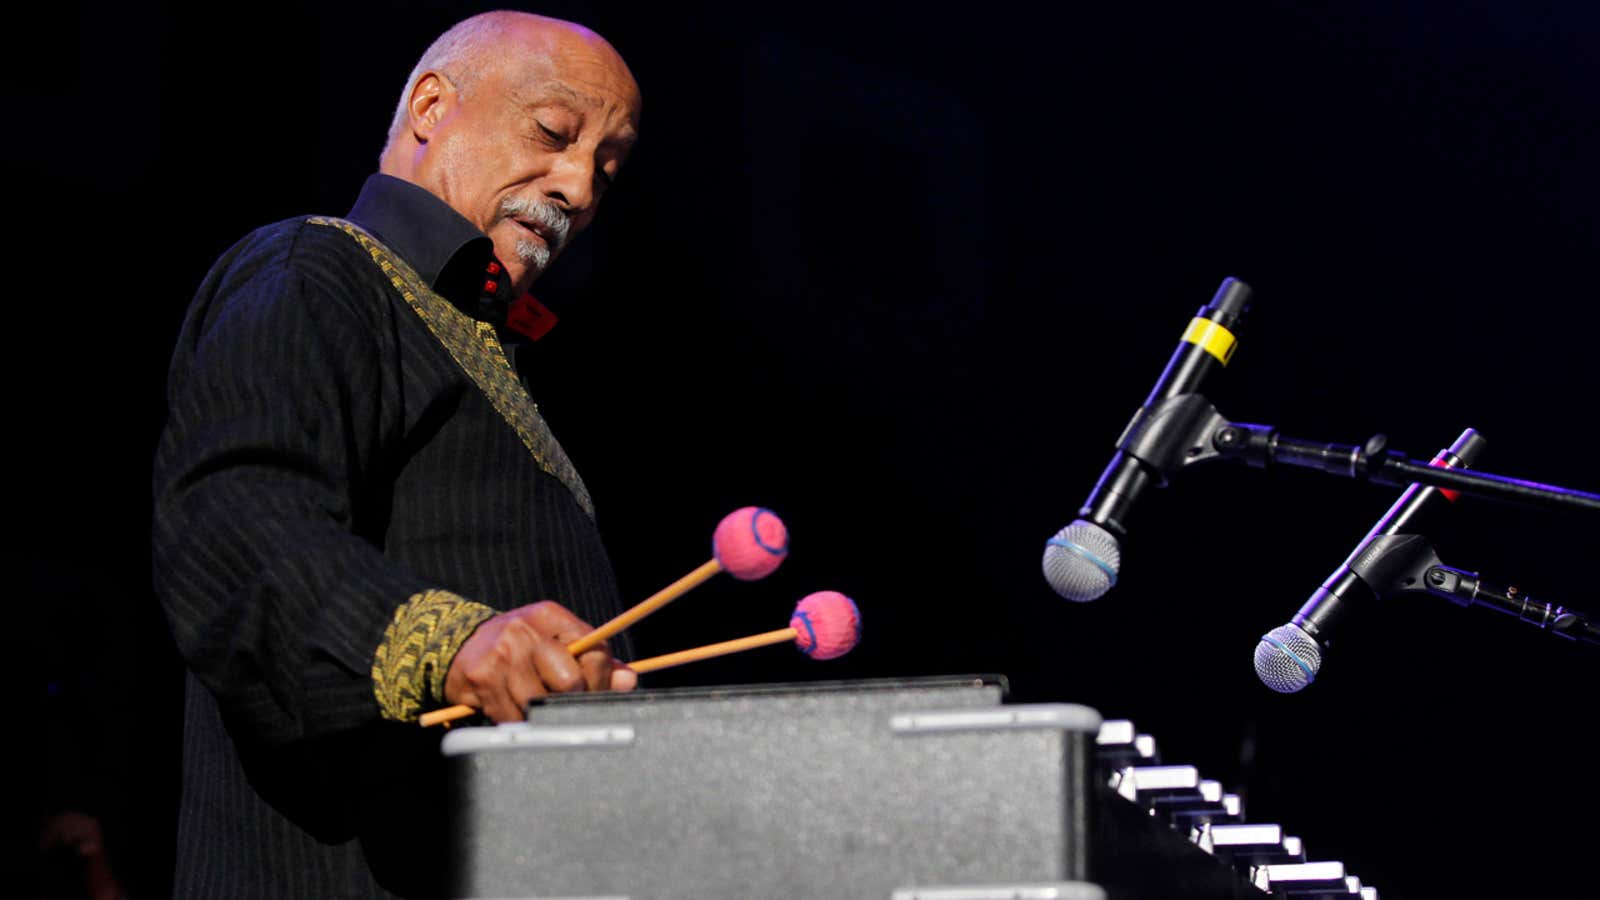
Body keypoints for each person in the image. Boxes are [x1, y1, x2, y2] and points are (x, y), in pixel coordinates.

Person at [151, 11, 643, 898]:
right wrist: (448, 642)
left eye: (606, 168)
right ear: (429, 105)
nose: (578, 187)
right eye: (553, 134)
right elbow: (233, 527)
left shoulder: (495, 350)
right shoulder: (316, 266)